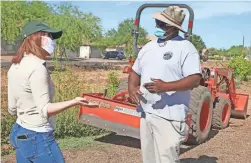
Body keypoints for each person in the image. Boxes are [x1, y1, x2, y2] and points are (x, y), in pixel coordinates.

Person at [7, 21, 95, 163]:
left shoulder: (15, 65)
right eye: (47, 35)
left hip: (20, 131)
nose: (51, 40)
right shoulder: (37, 68)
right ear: (34, 37)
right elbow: (46, 110)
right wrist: (75, 101)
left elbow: (11, 109)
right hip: (38, 136)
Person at [128, 6, 202, 163]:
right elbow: (135, 72)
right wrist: (131, 88)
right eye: (157, 22)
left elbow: (195, 79)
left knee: (166, 159)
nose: (158, 26)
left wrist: (165, 87)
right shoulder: (149, 47)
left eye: (163, 24)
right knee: (149, 159)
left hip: (170, 117)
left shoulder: (186, 48)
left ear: (174, 27)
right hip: (146, 113)